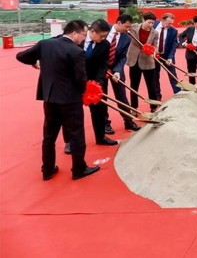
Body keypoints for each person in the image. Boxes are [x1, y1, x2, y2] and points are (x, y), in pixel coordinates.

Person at [16, 20, 100, 181]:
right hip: (70, 100)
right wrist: (85, 93)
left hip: (50, 98)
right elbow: (80, 78)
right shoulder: (76, 51)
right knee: (76, 135)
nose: (84, 39)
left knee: (49, 136)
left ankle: (47, 169)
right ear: (74, 33)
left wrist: (34, 61)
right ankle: (78, 169)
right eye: (83, 35)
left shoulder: (45, 44)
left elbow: (20, 56)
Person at [64, 19, 117, 155]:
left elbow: (103, 64)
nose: (103, 38)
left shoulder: (104, 44)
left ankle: (100, 137)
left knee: (99, 111)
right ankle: (70, 142)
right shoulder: (76, 41)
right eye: (101, 35)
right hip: (74, 83)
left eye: (105, 36)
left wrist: (97, 82)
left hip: (94, 83)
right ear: (92, 31)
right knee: (72, 114)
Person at [103, 14, 137, 132]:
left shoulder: (126, 38)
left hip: (116, 69)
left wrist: (117, 70)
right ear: (118, 23)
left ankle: (128, 121)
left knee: (122, 96)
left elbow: (123, 56)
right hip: (100, 69)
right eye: (126, 27)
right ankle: (105, 124)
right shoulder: (104, 30)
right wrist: (103, 67)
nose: (128, 30)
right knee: (103, 96)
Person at [126, 11, 160, 120]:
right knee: (134, 85)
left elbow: (155, 46)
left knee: (151, 85)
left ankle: (154, 107)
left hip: (147, 60)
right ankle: (134, 108)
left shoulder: (155, 33)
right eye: (149, 22)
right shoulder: (134, 28)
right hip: (134, 60)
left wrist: (152, 51)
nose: (151, 25)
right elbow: (124, 29)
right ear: (143, 20)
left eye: (152, 23)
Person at [153, 13, 180, 106]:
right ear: (163, 20)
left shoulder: (173, 31)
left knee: (173, 76)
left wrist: (170, 57)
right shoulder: (153, 25)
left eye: (171, 23)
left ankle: (178, 94)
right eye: (168, 23)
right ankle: (157, 97)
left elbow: (174, 45)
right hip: (153, 55)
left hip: (166, 55)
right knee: (155, 77)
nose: (170, 25)